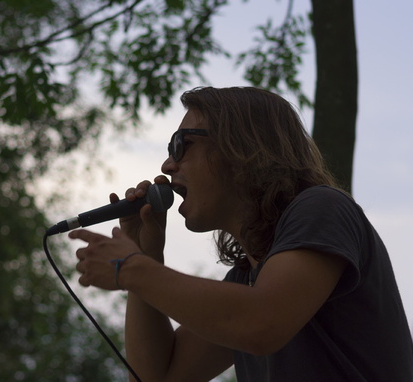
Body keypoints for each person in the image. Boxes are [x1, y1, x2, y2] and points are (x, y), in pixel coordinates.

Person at [68, 86, 413, 381]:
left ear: (241, 147)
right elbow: (158, 376)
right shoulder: (245, 282)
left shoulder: (323, 207)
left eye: (180, 145)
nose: (167, 165)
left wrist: (131, 268)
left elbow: (261, 323)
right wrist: (145, 254)